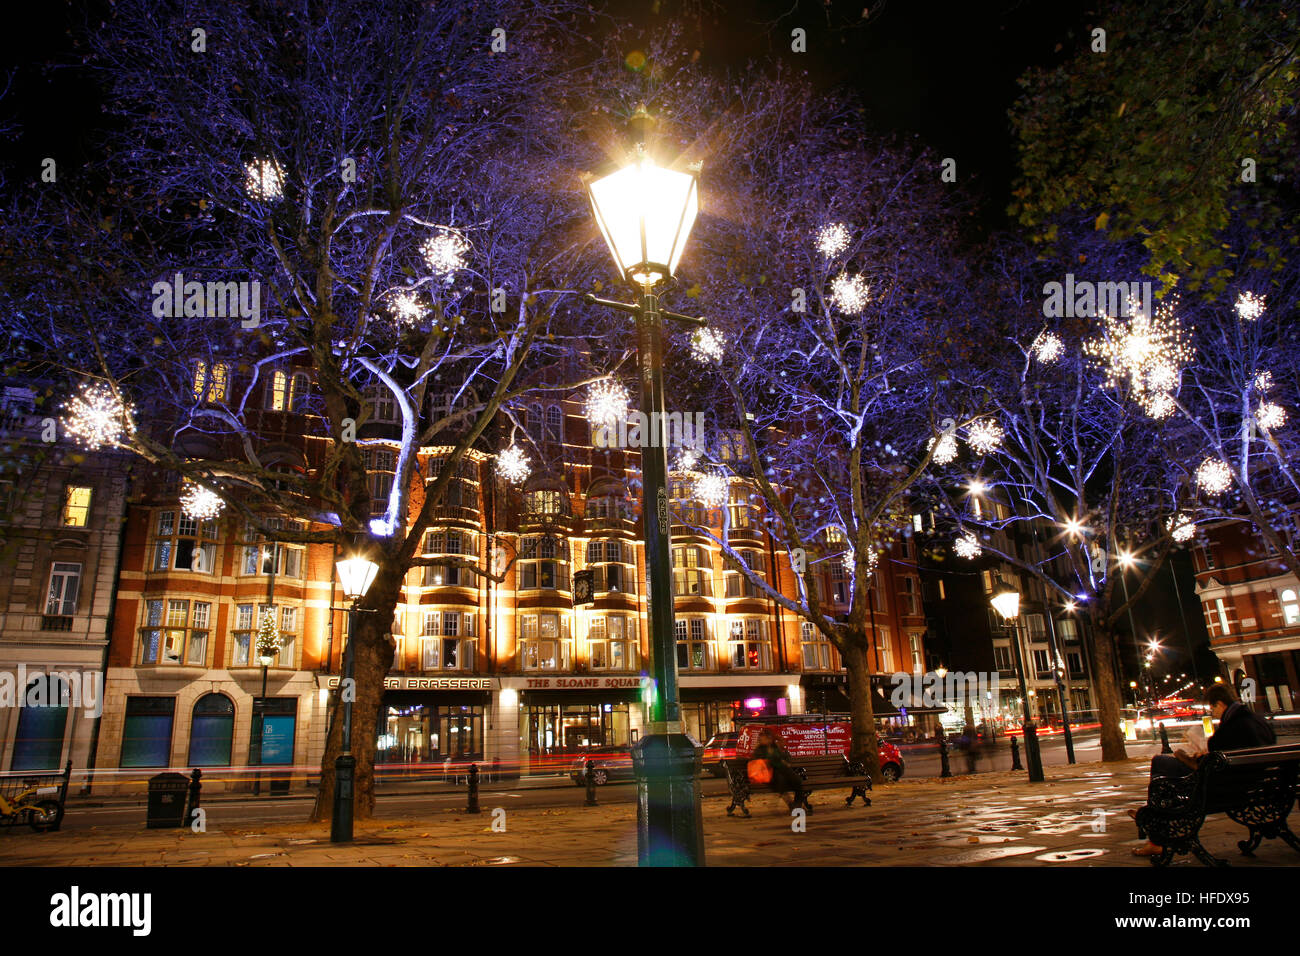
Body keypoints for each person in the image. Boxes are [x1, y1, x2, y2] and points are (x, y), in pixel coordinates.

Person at [1131, 684, 1276, 857]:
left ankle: (1154, 829)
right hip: (1256, 785)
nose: (1212, 713)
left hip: (1225, 789)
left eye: (1212, 708)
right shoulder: (1257, 721)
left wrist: (1192, 756)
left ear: (1220, 704)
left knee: (1160, 764)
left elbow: (1213, 760)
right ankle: (1152, 818)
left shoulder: (1233, 726)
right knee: (1165, 770)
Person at [751, 729, 811, 814]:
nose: (764, 740)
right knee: (781, 781)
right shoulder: (759, 750)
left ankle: (797, 804)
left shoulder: (775, 746)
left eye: (766, 738)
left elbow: (785, 757)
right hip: (770, 774)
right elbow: (760, 763)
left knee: (797, 781)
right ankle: (792, 805)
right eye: (762, 738)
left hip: (783, 770)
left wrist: (781, 746)